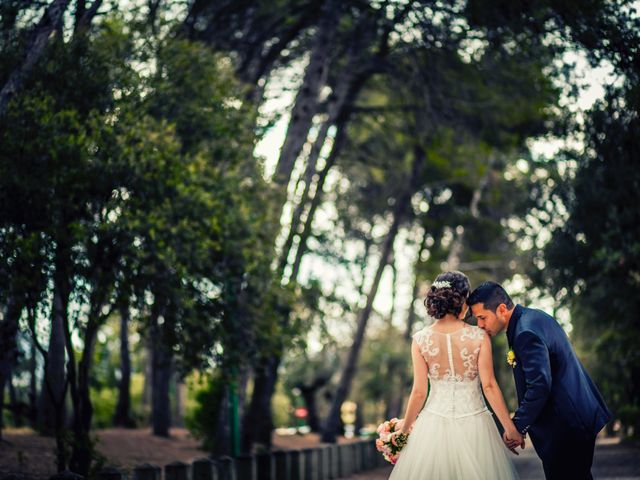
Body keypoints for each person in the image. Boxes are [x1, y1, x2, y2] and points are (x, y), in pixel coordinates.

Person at [468, 281, 612, 480]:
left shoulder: (525, 332)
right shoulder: (532, 318)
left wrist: (517, 426)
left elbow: (539, 385)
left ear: (501, 309)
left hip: (566, 427)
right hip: (574, 419)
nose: (480, 325)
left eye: (482, 317)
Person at [388, 271, 519, 480]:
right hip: (475, 426)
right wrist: (510, 428)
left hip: (432, 426)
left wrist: (403, 430)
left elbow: (419, 392)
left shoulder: (420, 340)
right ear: (463, 299)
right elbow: (490, 386)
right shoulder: (479, 336)